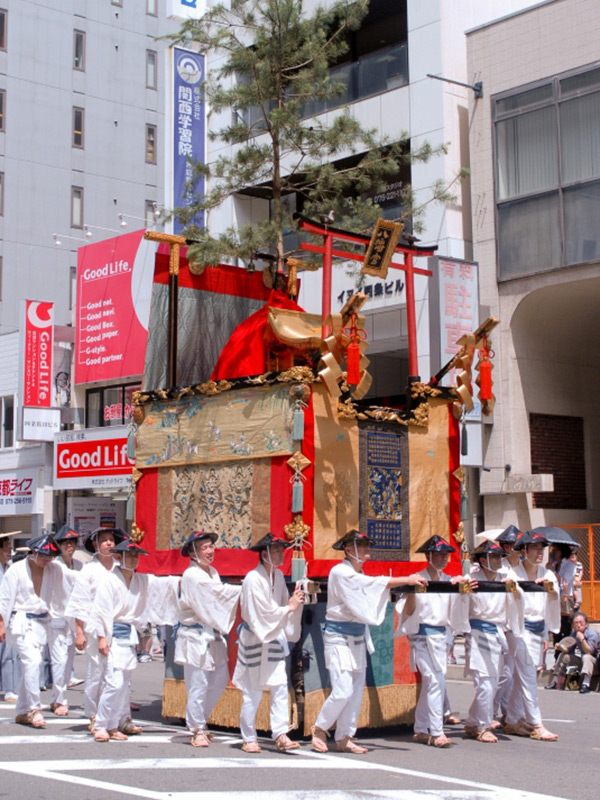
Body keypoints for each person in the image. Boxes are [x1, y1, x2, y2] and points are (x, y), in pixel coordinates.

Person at [311, 530, 427, 754]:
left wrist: (403, 583)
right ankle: (319, 728)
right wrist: (407, 579)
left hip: (356, 636)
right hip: (338, 637)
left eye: (366, 545)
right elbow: (369, 585)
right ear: (348, 549)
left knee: (355, 691)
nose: (366, 550)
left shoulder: (358, 573)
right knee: (343, 689)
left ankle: (344, 735)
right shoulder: (340, 572)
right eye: (361, 545)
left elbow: (370, 586)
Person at [88, 538, 179, 742]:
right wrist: (102, 637)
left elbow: (162, 584)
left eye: (136, 555)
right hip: (111, 634)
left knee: (123, 684)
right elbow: (101, 610)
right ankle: (101, 723)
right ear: (119, 557)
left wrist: (181, 581)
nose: (134, 559)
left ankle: (114, 724)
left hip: (127, 637)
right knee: (113, 681)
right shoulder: (110, 580)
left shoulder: (140, 580)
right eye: (130, 555)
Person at [232, 532, 304, 753]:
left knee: (279, 686)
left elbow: (282, 608)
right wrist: (288, 608)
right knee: (252, 691)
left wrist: (294, 605)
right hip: (256, 635)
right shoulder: (253, 578)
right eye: (276, 551)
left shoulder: (279, 576)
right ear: (264, 554)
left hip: (273, 636)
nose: (281, 554)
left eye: (281, 550)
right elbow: (260, 614)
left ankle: (280, 733)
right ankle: (249, 736)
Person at [395, 535, 469, 748]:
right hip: (422, 636)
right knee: (435, 681)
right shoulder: (417, 577)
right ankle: (436, 730)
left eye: (446, 554)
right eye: (438, 554)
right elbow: (407, 612)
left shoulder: (448, 580)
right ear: (428, 556)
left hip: (441, 636)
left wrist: (459, 587)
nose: (444, 558)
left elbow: (455, 610)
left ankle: (420, 727)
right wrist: (413, 591)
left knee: (432, 682)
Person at [175, 530, 241, 747]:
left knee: (220, 680)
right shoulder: (192, 575)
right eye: (204, 548)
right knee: (199, 683)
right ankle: (197, 728)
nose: (210, 551)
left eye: (211, 546)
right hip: (195, 634)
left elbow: (218, 598)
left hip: (212, 632)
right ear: (194, 553)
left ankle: (197, 718)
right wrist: (242, 589)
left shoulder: (212, 571)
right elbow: (217, 595)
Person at [65, 526, 127, 730]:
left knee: (120, 673)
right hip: (94, 627)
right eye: (104, 540)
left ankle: (120, 717)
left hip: (117, 628)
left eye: (111, 540)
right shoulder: (89, 570)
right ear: (95, 544)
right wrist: (80, 631)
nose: (109, 543)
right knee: (96, 673)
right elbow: (80, 602)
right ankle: (94, 714)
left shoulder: (120, 567)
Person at [0, 535, 65, 728]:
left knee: (33, 665)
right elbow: (4, 598)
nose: (48, 560)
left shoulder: (54, 569)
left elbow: (69, 586)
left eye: (51, 556)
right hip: (21, 621)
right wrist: (1, 623)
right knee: (33, 662)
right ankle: (34, 708)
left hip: (43, 622)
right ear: (34, 552)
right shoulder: (16, 570)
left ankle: (21, 710)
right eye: (44, 555)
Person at [504, 531, 559, 741]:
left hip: (537, 628)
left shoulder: (548, 573)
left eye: (541, 549)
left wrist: (549, 588)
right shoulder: (513, 574)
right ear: (524, 551)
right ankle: (536, 723)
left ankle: (512, 719)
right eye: (535, 548)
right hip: (519, 629)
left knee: (524, 676)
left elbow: (554, 596)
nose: (539, 553)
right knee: (527, 676)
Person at [464, 540, 516, 743]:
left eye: (498, 556)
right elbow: (459, 603)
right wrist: (464, 590)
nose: (497, 560)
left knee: (493, 682)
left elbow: (518, 593)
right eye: (493, 556)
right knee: (485, 682)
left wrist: (511, 589)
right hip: (478, 632)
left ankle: (472, 720)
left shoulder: (506, 576)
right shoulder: (472, 578)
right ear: (482, 560)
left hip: (498, 632)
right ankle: (483, 725)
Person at [47, 525, 82, 716]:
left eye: (72, 542)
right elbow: (72, 578)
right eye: (65, 542)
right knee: (59, 661)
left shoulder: (80, 564)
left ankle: (57, 697)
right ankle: (60, 699)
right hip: (57, 617)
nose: (69, 546)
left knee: (68, 662)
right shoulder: (56, 565)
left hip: (73, 619)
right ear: (59, 545)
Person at [494, 524, 522, 724]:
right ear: (505, 547)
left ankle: (508, 711)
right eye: (513, 545)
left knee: (512, 673)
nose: (517, 549)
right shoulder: (499, 569)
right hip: (500, 624)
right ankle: (491, 711)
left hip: (517, 624)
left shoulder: (522, 569)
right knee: (501, 673)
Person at [545, 611, 600, 693]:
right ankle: (558, 681)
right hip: (584, 663)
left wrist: (582, 639)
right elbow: (568, 650)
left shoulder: (592, 634)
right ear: (572, 626)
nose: (578, 625)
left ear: (586, 624)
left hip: (595, 664)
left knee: (586, 657)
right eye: (576, 623)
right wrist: (561, 647)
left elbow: (589, 652)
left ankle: (586, 684)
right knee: (565, 656)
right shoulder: (574, 634)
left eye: (581, 623)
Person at [0, 532, 21, 702]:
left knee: (9, 654)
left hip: (6, 615)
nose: (10, 549)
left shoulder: (9, 567)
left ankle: (9, 689)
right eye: (7, 546)